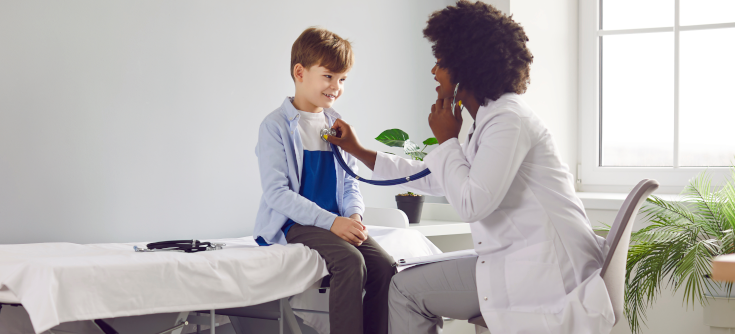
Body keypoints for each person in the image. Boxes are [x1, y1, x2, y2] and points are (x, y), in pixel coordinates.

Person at [325, 2, 614, 333]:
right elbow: (439, 178)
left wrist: (447, 139)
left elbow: (472, 203)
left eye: (441, 62)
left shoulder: (509, 121)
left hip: (548, 272)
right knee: (406, 278)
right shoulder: (493, 119)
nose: (434, 72)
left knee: (404, 290)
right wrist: (360, 151)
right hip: (524, 261)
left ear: (467, 68)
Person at [253, 27, 396, 334]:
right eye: (329, 76)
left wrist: (354, 217)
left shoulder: (336, 125)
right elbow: (278, 194)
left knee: (384, 266)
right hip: (297, 223)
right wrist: (332, 223)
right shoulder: (275, 127)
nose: (336, 87)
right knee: (349, 261)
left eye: (342, 79)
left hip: (336, 222)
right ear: (300, 72)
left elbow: (349, 184)